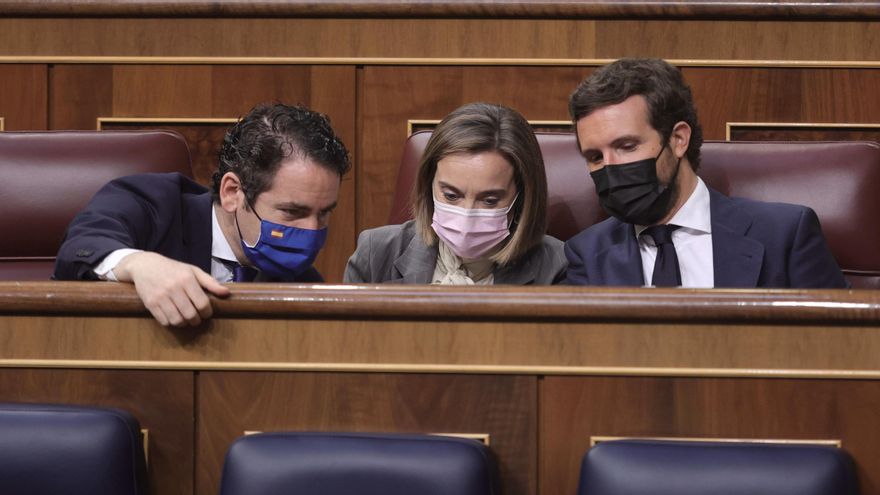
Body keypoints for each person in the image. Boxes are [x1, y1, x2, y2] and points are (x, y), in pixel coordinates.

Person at [54, 103, 351, 326]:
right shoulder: (156, 205)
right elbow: (80, 247)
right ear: (233, 192)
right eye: (292, 211)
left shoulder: (303, 283)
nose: (311, 231)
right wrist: (140, 265)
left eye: (323, 214)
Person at [564, 58, 847, 288]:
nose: (611, 168)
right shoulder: (586, 255)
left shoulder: (784, 234)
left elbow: (843, 346)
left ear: (678, 139)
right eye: (595, 157)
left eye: (627, 146)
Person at [344, 102, 566, 285]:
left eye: (489, 200)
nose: (466, 214)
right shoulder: (376, 252)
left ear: (522, 199)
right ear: (428, 185)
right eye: (451, 196)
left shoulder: (557, 266)